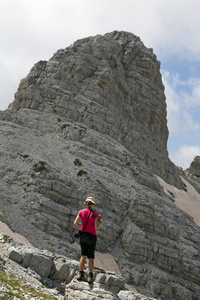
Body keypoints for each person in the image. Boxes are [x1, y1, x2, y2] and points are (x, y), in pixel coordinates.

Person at [74, 196, 101, 283]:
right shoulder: (95, 214)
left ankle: (80, 274)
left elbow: (75, 223)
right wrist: (99, 220)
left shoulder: (81, 211)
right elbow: (96, 227)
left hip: (83, 235)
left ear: (86, 203)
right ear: (92, 204)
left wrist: (82, 224)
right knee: (90, 257)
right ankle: (90, 276)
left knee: (83, 255)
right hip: (92, 236)